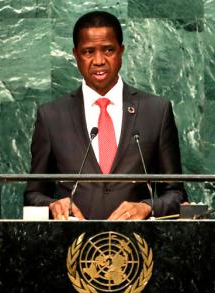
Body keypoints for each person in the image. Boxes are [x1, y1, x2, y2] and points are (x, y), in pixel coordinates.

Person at [24, 11, 187, 220]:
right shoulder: (51, 116)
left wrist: (147, 207)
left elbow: (177, 194)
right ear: (76, 55)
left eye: (108, 50)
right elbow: (32, 195)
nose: (99, 60)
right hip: (73, 247)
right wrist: (53, 205)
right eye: (88, 51)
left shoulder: (156, 111)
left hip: (139, 246)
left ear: (121, 51)